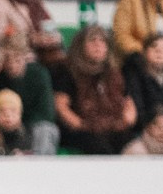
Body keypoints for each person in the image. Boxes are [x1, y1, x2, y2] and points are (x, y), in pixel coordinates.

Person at [55, 24, 137, 155]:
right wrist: (81, 125)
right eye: (92, 40)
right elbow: (61, 106)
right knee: (100, 147)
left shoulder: (114, 73)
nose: (98, 45)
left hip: (113, 126)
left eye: (102, 41)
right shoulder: (68, 71)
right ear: (80, 46)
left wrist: (127, 120)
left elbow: (128, 101)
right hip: (82, 130)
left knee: (132, 145)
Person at [0, 43, 59, 155]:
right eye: (7, 60)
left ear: (25, 58)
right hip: (7, 124)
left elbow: (46, 114)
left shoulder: (38, 74)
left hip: (33, 124)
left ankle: (39, 165)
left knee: (45, 129)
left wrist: (20, 123)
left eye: (17, 60)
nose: (12, 65)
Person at [125, 33, 163, 138]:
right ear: (144, 52)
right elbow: (138, 110)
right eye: (154, 47)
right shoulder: (135, 77)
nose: (159, 52)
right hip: (143, 129)